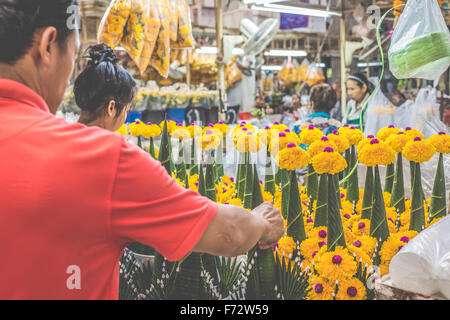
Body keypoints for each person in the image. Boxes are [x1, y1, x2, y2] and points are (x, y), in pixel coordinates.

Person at [0, 1, 284, 300]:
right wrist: (262, 222)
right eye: (72, 54)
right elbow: (230, 234)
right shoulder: (99, 158)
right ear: (47, 47)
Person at [75, 44, 136, 131]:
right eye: (126, 110)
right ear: (111, 108)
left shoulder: (59, 137)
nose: (125, 116)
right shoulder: (116, 144)